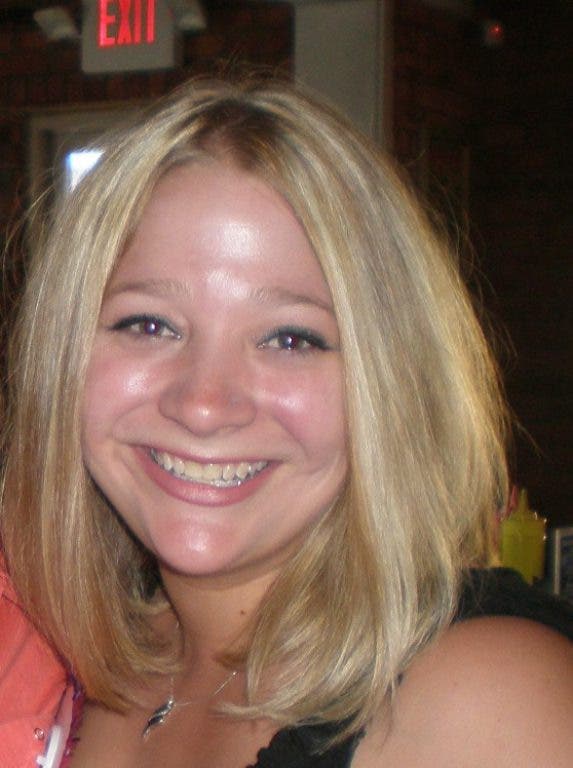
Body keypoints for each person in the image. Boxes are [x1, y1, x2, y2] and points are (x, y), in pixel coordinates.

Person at [0, 77, 571, 768]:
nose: (203, 402)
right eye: (148, 324)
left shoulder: (485, 700)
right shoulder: (63, 674)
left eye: (290, 338)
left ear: (390, 383)